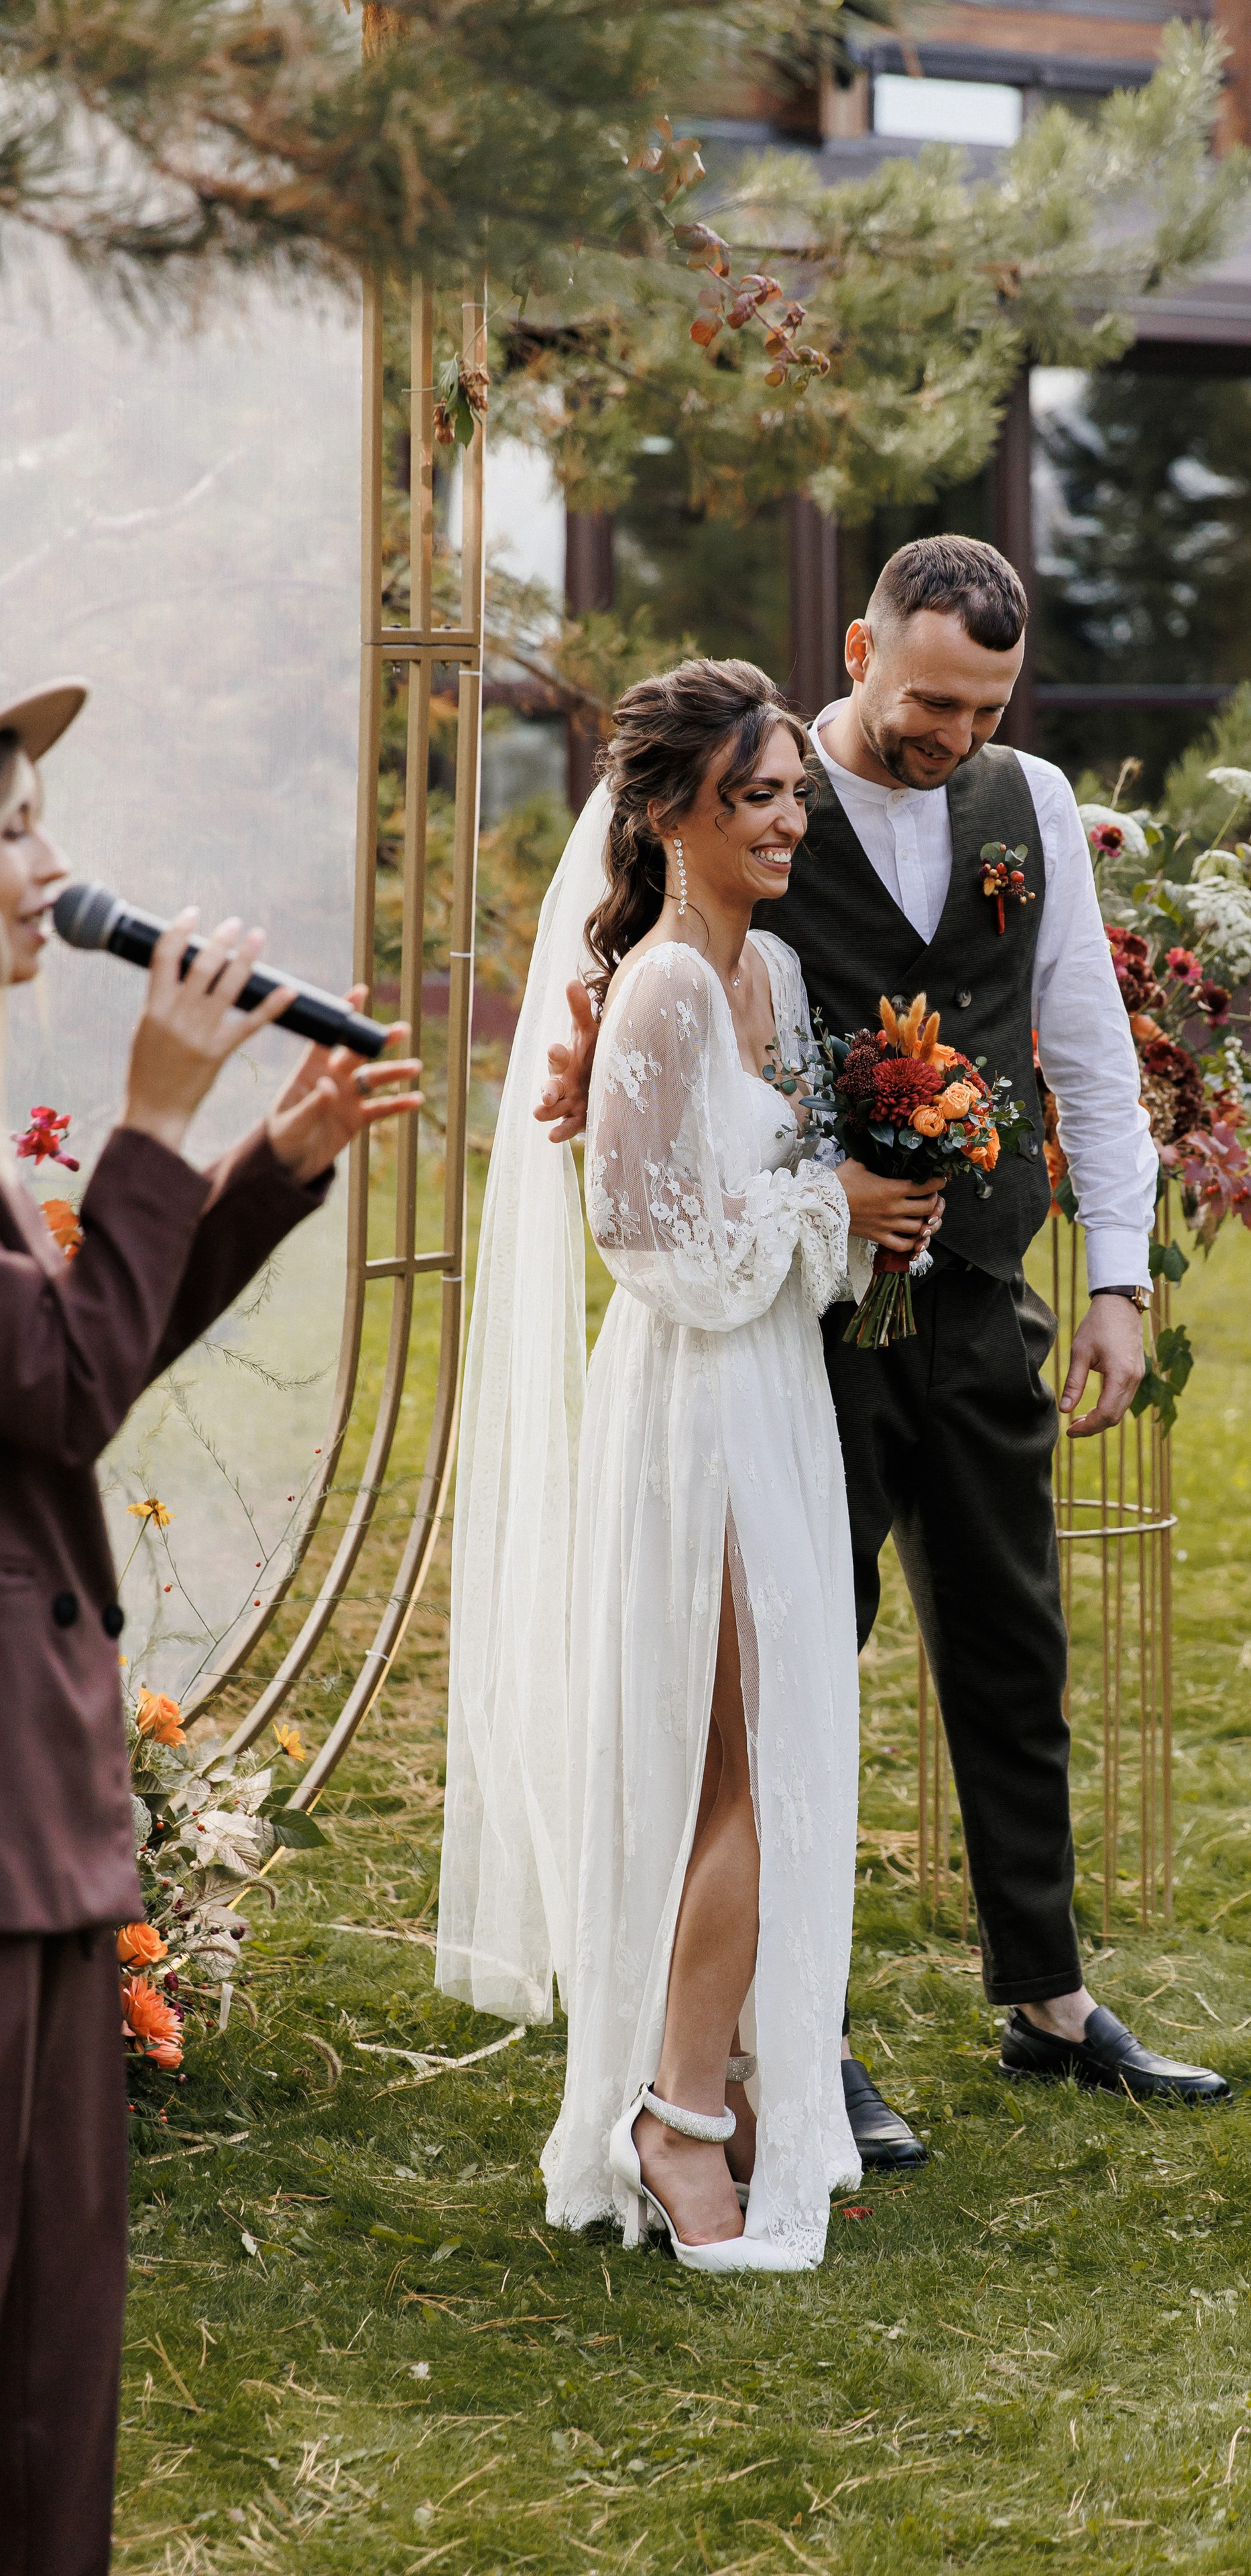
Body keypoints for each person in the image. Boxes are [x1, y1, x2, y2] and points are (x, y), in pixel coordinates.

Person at [536, 541, 1230, 2166]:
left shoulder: (1031, 804)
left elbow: (1080, 1048)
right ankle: (799, 2033)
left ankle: (1050, 1998)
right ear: (857, 648)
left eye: (986, 704)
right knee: (789, 1679)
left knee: (1012, 1644)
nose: (952, 731)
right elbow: (648, 990)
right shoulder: (759, 800)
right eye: (927, 698)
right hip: (803, 1326)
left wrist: (1117, 1282)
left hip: (979, 1292)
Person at [438, 660, 937, 2271]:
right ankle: (672, 2119)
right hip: (690, 1403)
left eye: (795, 789)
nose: (790, 817)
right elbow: (647, 1243)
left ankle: (704, 2072)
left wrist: (867, 1217)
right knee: (740, 1769)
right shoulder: (651, 990)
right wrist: (830, 1214)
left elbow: (778, 1195)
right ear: (666, 814)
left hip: (776, 1390)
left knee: (775, 1753)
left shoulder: (778, 981)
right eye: (756, 795)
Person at [0, 674, 420, 2575]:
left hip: (38, 1835)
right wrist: (161, 1110)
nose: (55, 868)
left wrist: (263, 1165)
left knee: (52, 2360)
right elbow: (68, 1397)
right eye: (12, 831)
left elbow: (68, 1367)